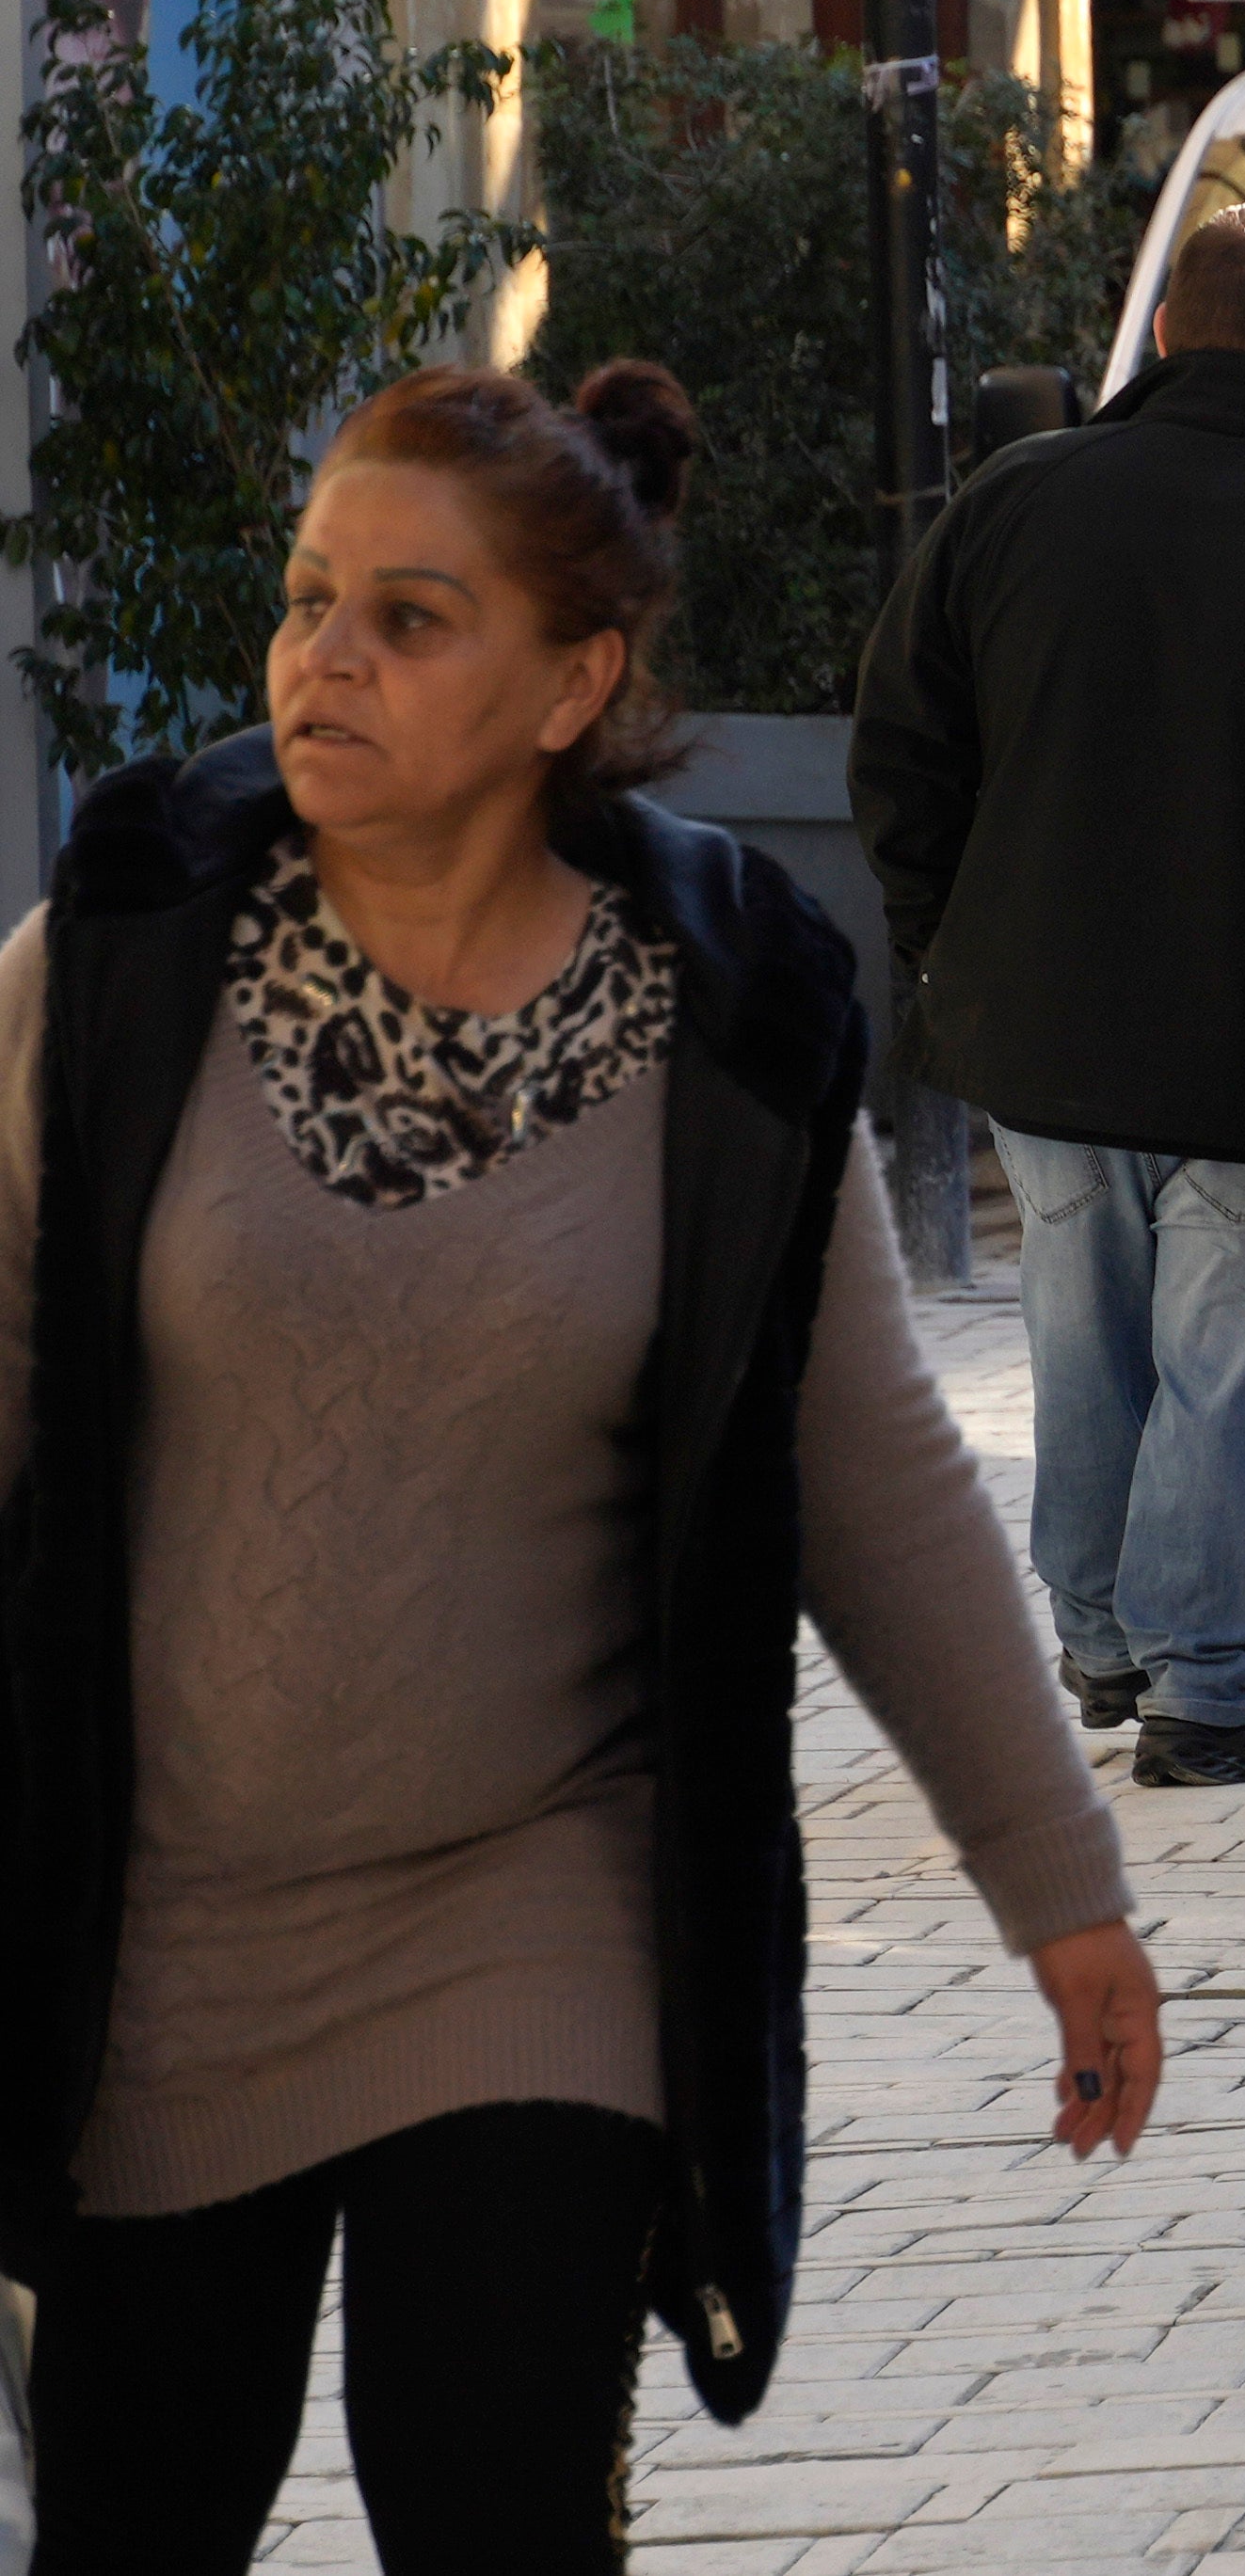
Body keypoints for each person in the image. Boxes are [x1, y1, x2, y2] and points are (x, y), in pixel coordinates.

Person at [4, 361, 1160, 2559]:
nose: (321, 657)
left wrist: (1062, 1886)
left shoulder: (717, 1009)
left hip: (530, 1893)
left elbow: (869, 1465)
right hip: (152, 1928)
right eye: (308, 598)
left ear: (573, 681)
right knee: (134, 2517)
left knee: (502, 2498)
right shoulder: (129, 950)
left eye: (408, 616)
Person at [853, 199, 1245, 1791]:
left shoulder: (1014, 500)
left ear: (1167, 328)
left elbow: (901, 748)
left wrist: (944, 939)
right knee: (1226, 1364)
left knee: (1080, 1333)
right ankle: (1201, 1687)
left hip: (1040, 1028)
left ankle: (1104, 1635)